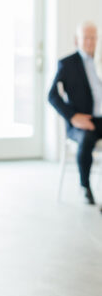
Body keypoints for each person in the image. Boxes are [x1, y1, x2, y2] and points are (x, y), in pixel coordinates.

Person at [48, 21, 102, 205]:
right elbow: (52, 95)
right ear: (76, 40)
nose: (90, 41)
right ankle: (85, 186)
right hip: (80, 122)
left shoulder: (100, 61)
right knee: (87, 138)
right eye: (86, 37)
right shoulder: (67, 64)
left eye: (93, 37)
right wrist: (72, 116)